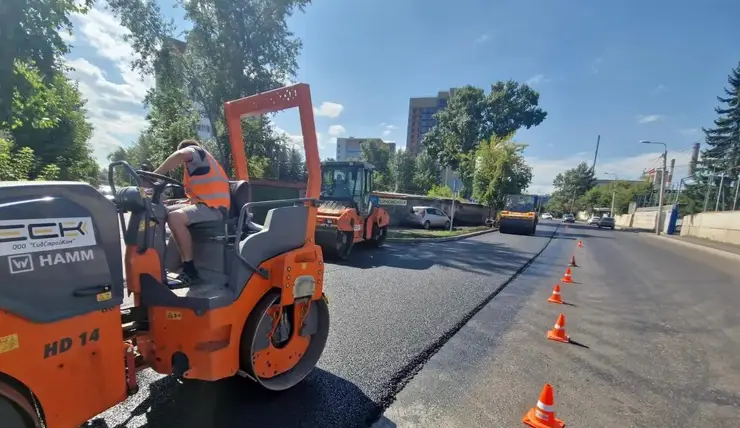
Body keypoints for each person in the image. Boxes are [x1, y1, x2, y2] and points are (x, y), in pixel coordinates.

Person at [153, 139, 231, 287]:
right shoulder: (199, 168)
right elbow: (197, 199)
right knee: (163, 210)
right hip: (206, 206)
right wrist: (173, 204)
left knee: (175, 218)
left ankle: (190, 269)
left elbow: (181, 154)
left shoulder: (197, 152)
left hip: (215, 210)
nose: (184, 163)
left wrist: (153, 175)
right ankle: (168, 264)